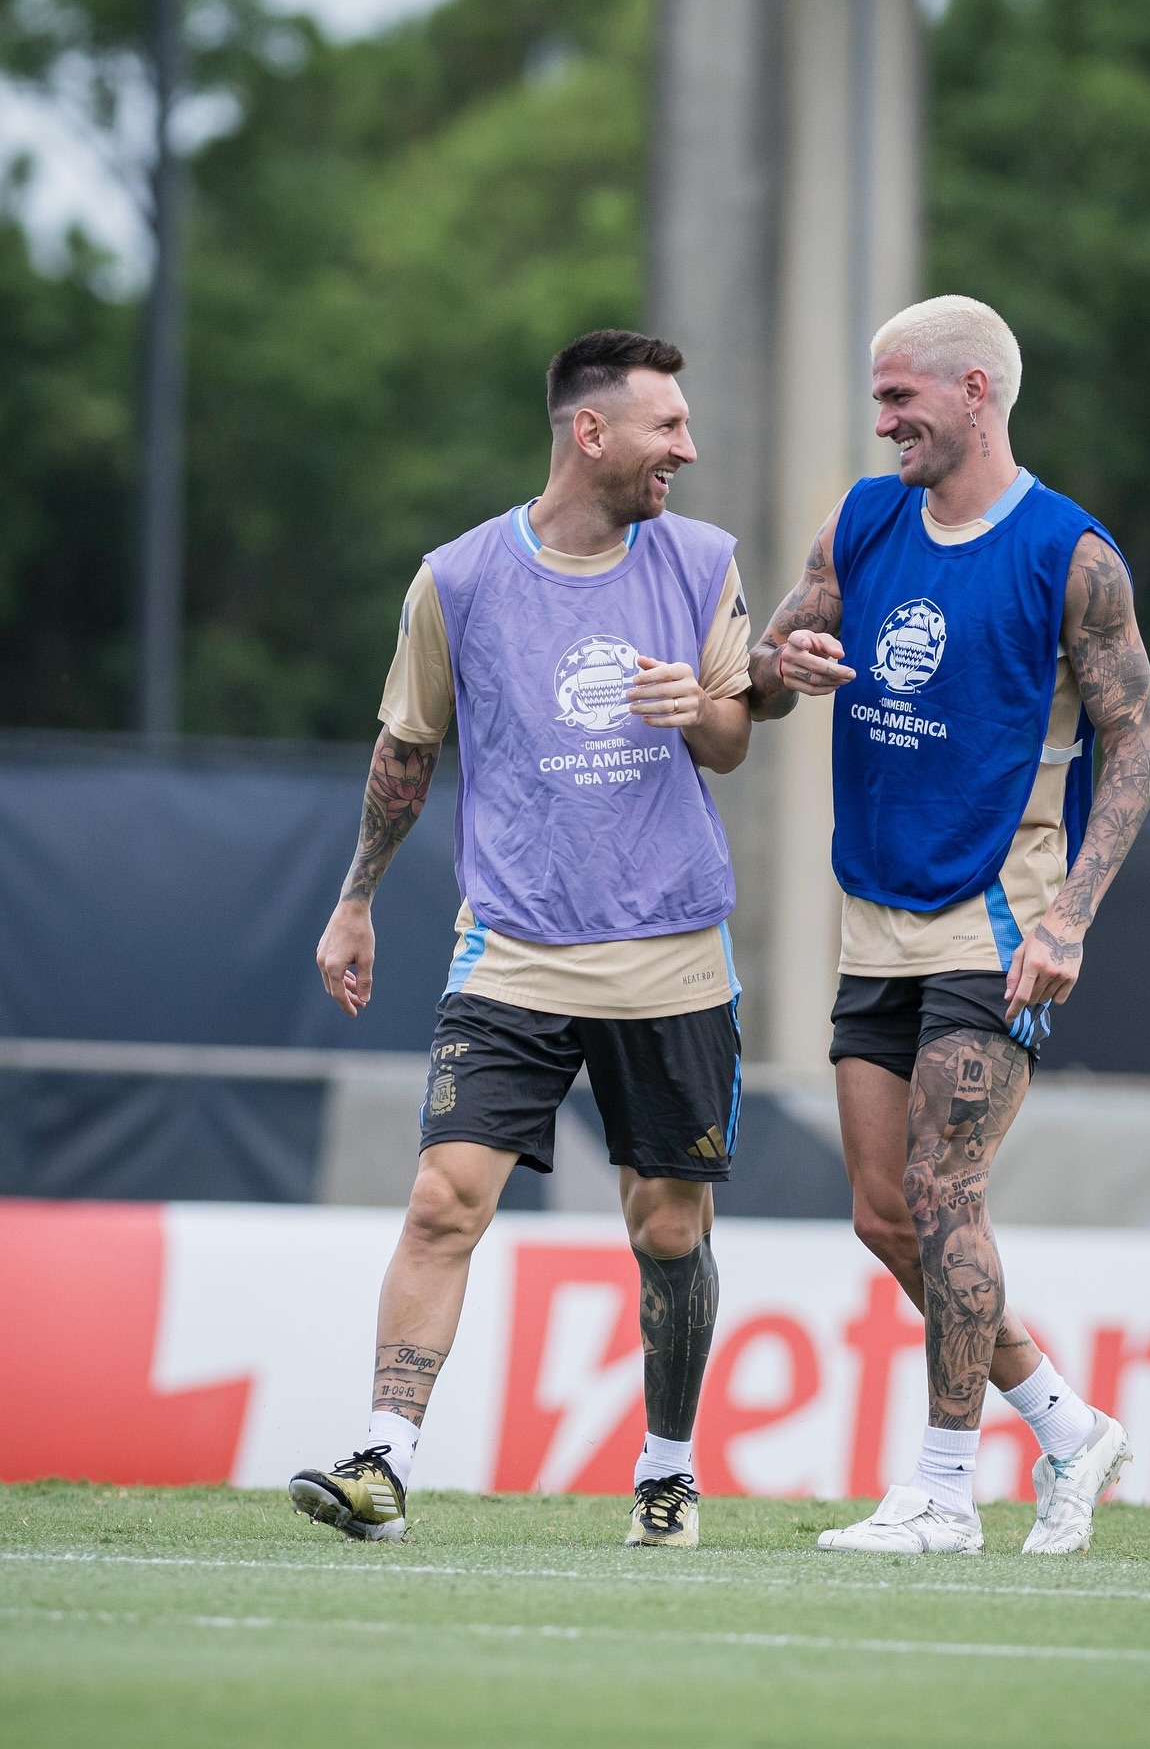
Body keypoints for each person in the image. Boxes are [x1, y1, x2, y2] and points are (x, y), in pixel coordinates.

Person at [289, 330, 752, 1550]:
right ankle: (384, 1462)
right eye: (667, 426)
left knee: (668, 1231)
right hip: (511, 947)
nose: (687, 447)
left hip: (672, 949)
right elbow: (406, 752)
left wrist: (698, 707)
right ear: (591, 432)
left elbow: (733, 736)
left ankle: (667, 1471)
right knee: (444, 1200)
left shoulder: (703, 558)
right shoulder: (454, 580)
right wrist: (355, 899)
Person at [748, 295, 1150, 1555]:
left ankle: (940, 1494)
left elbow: (1137, 748)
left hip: (1000, 917)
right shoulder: (862, 520)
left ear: (975, 392)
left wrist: (1070, 919)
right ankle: (1069, 1426)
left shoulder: (1071, 555)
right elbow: (766, 671)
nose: (883, 422)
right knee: (884, 1214)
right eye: (878, 398)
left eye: (899, 397)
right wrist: (782, 669)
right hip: (873, 913)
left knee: (943, 1190)